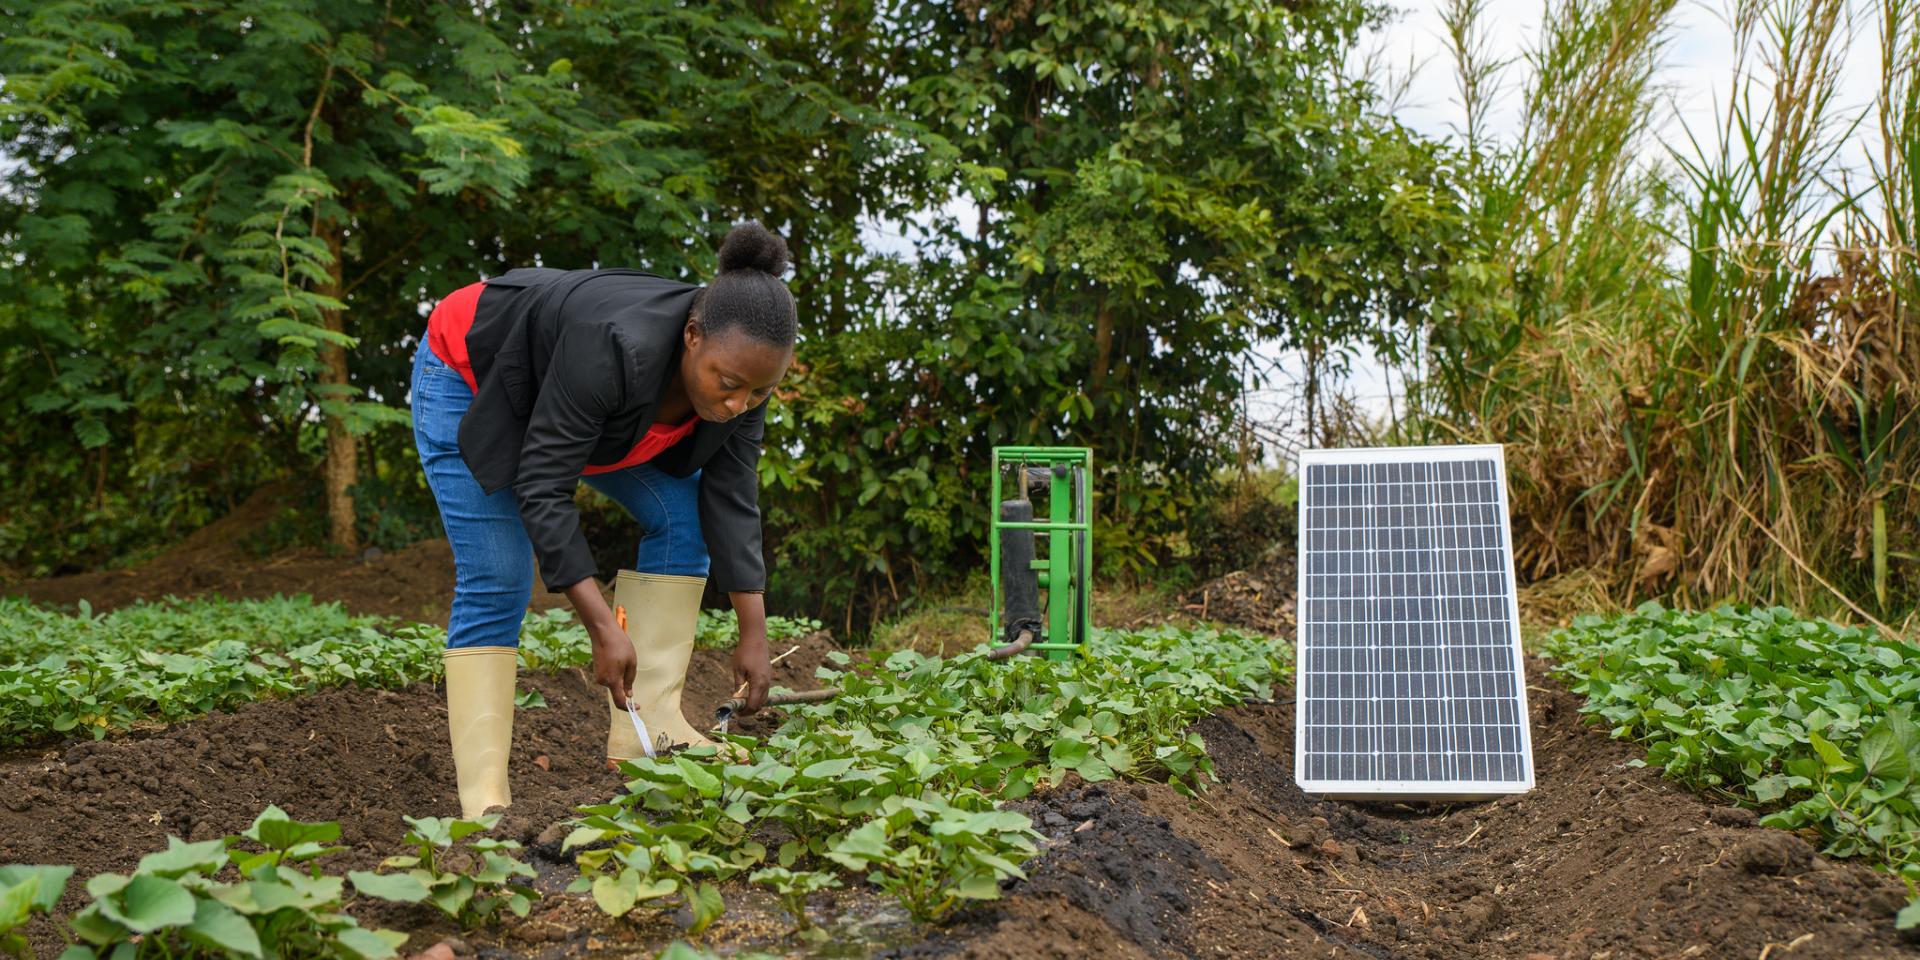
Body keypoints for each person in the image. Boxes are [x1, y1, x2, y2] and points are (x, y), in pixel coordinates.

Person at [410, 221, 794, 817]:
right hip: (474, 377)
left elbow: (732, 495)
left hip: (593, 415)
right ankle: (483, 799)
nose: (738, 404)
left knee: (685, 517)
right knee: (500, 575)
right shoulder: (614, 344)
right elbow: (542, 485)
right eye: (730, 386)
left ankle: (650, 733)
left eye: (759, 393)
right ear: (692, 336)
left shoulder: (740, 374)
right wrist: (602, 627)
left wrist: (754, 632)